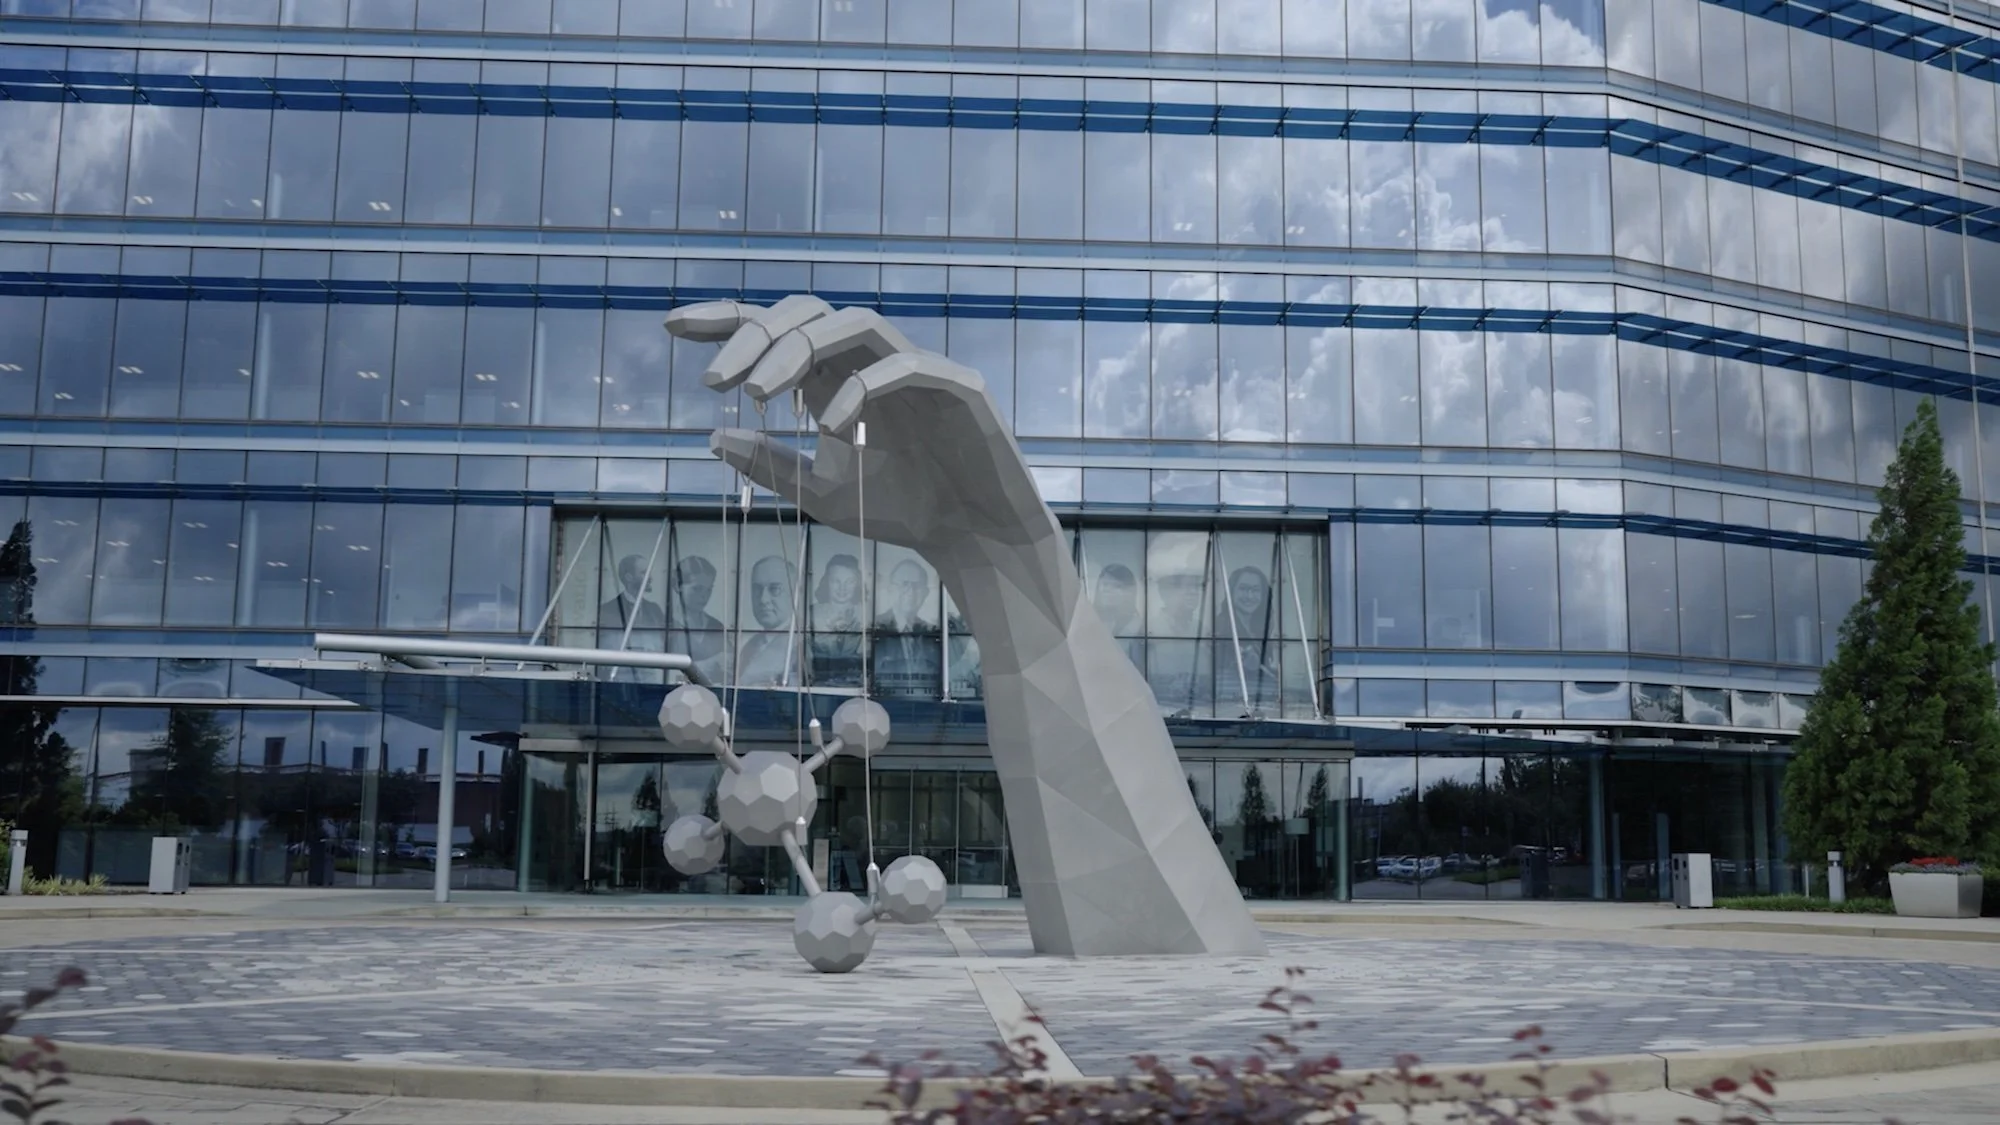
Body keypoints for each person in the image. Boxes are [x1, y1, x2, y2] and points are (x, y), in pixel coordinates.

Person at [872, 558, 939, 697]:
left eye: (917, 585)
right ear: (891, 589)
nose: (910, 591)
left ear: (925, 593)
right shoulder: (874, 628)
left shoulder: (932, 633)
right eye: (904, 584)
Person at [735, 555, 799, 686]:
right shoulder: (750, 646)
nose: (763, 599)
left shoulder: (805, 642)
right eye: (757, 589)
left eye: (774, 589)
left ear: (794, 593)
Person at [666, 556, 726, 683]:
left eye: (709, 590)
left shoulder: (717, 627)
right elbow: (655, 673)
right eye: (697, 589)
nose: (704, 596)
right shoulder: (663, 625)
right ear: (677, 586)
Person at [811, 553, 865, 685]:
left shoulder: (865, 615)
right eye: (836, 581)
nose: (842, 588)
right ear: (826, 582)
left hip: (855, 685)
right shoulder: (811, 613)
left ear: (857, 584)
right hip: (818, 684)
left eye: (849, 582)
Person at [1092, 563, 1146, 668]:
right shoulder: (1086, 621)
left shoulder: (1139, 627)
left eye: (1117, 586)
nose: (1108, 590)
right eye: (1105, 585)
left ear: (1130, 593)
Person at [598, 553, 665, 629]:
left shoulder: (654, 610)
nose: (650, 578)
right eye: (644, 573)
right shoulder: (607, 610)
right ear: (628, 577)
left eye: (649, 573)